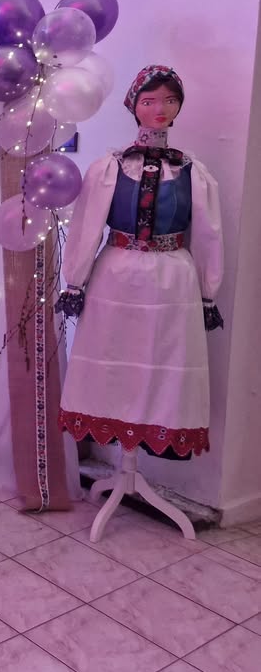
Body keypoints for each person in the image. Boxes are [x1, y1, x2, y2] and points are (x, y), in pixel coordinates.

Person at [57, 65, 223, 461]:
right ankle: (115, 441)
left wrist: (208, 292)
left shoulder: (192, 172)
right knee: (113, 355)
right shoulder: (109, 168)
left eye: (169, 100)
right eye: (149, 101)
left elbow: (208, 235)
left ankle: (150, 442)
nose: (160, 109)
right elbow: (86, 227)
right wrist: (75, 282)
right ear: (134, 106)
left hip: (173, 279)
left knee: (164, 358)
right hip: (116, 276)